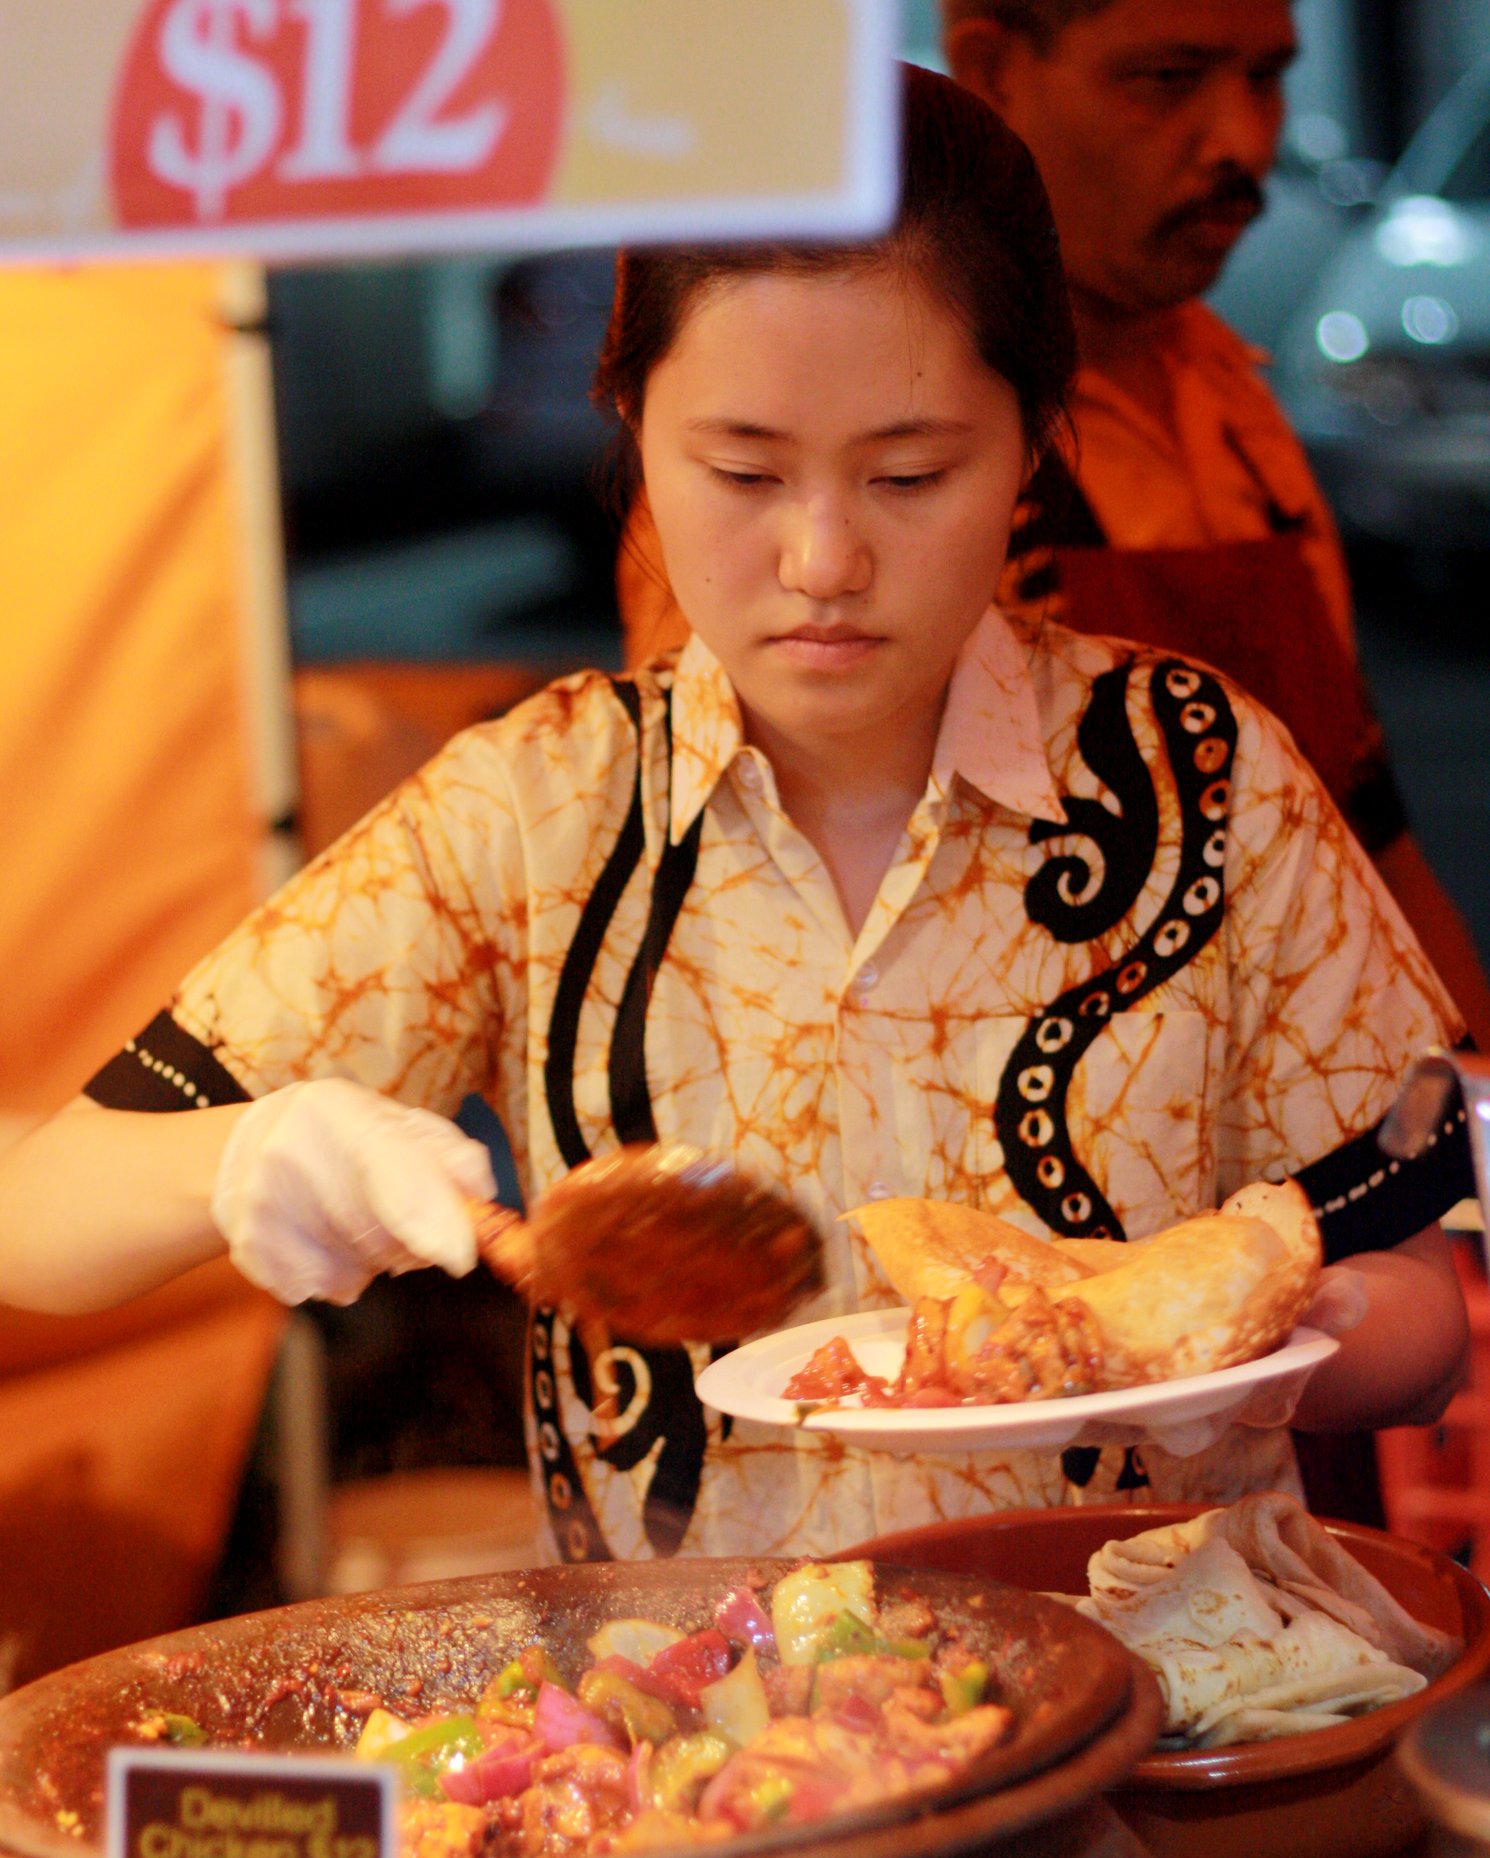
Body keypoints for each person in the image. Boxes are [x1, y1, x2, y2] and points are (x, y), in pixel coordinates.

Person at [0, 68, 1471, 1567]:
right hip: (706, 1750)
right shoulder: (531, 818)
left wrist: (1254, 1339)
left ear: (1031, 443)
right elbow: (40, 1222)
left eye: (910, 473)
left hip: (1157, 1716)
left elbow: (1421, 1308)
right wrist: (252, 1159)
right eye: (741, 470)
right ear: (634, 430)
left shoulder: (1205, 777)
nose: (823, 558)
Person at [619, 0, 1490, 1061]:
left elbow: (1369, 834)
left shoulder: (1232, 401)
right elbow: (758, 930)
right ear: (989, 67)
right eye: (1164, 79)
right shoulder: (801, 494)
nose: (1241, 142)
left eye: (1264, 79)